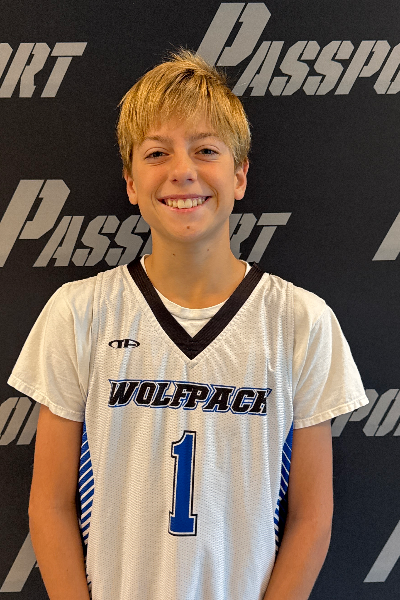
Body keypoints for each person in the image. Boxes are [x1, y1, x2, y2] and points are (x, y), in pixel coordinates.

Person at [8, 49, 368, 600]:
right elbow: (50, 505)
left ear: (239, 175)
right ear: (131, 182)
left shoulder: (301, 321)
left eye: (206, 150)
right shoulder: (79, 312)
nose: (182, 171)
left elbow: (311, 517)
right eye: (157, 153)